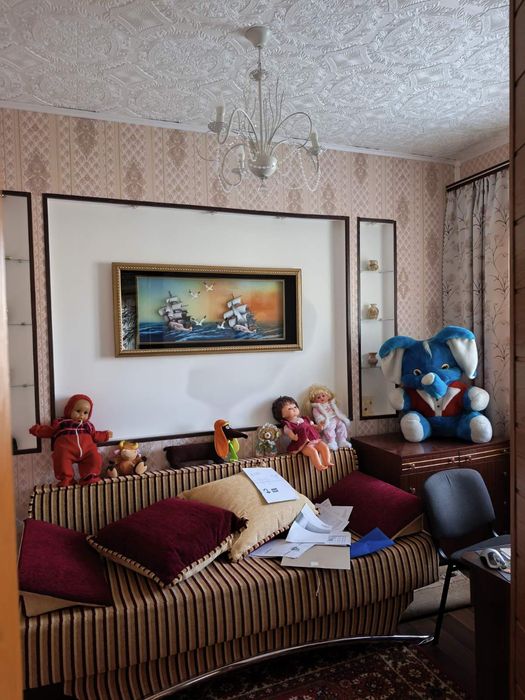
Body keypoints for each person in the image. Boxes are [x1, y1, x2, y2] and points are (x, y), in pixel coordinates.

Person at [29, 394, 112, 487]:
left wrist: (105, 435)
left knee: (95, 457)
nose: (81, 415)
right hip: (66, 450)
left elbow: (95, 435)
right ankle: (67, 479)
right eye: (78, 411)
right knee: (61, 459)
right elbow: (50, 430)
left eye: (85, 413)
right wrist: (37, 430)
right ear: (69, 410)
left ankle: (90, 476)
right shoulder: (61, 422)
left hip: (87, 451)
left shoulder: (88, 425)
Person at [271, 395, 333, 471]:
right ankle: (319, 466)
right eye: (289, 408)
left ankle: (327, 462)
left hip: (315, 440)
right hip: (303, 444)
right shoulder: (288, 424)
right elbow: (287, 431)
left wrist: (319, 427)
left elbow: (313, 426)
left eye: (295, 407)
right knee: (313, 452)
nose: (294, 409)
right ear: (282, 415)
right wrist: (293, 436)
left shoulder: (305, 419)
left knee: (325, 446)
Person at [307, 384, 352, 450]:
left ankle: (342, 440)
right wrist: (321, 421)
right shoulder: (317, 408)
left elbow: (337, 412)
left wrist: (340, 416)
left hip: (336, 418)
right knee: (329, 428)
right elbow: (317, 416)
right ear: (314, 401)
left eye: (323, 396)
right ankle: (332, 441)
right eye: (318, 397)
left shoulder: (331, 404)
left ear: (328, 396)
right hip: (328, 420)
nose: (321, 398)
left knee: (342, 425)